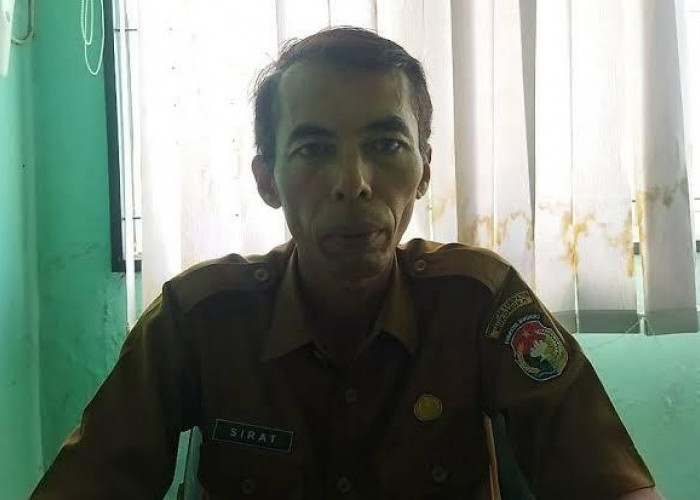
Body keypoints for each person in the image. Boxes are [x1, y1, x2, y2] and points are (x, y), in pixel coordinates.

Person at [32, 27, 662, 500]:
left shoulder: (480, 303)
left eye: (385, 145)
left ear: (424, 172)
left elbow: (613, 486)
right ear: (266, 179)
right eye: (313, 149)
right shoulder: (198, 318)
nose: (353, 183)